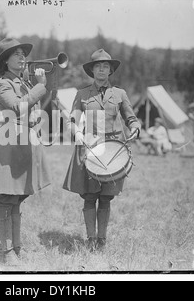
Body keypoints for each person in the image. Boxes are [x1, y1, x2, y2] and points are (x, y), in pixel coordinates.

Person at [0, 38, 52, 265]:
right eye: (16, 54)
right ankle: (7, 251)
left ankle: (16, 247)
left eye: (23, 54)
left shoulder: (26, 84)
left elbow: (33, 111)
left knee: (18, 197)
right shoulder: (2, 84)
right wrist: (41, 85)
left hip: (26, 141)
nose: (22, 57)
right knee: (6, 197)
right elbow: (17, 107)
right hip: (10, 141)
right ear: (5, 61)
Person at [63, 49, 141, 251]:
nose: (101, 69)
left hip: (114, 151)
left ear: (110, 70)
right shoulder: (82, 94)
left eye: (105, 66)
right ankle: (90, 239)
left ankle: (102, 241)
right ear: (92, 70)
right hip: (89, 149)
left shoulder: (120, 94)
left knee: (106, 197)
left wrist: (135, 127)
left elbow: (130, 117)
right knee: (90, 196)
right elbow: (73, 119)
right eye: (98, 66)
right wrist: (77, 132)